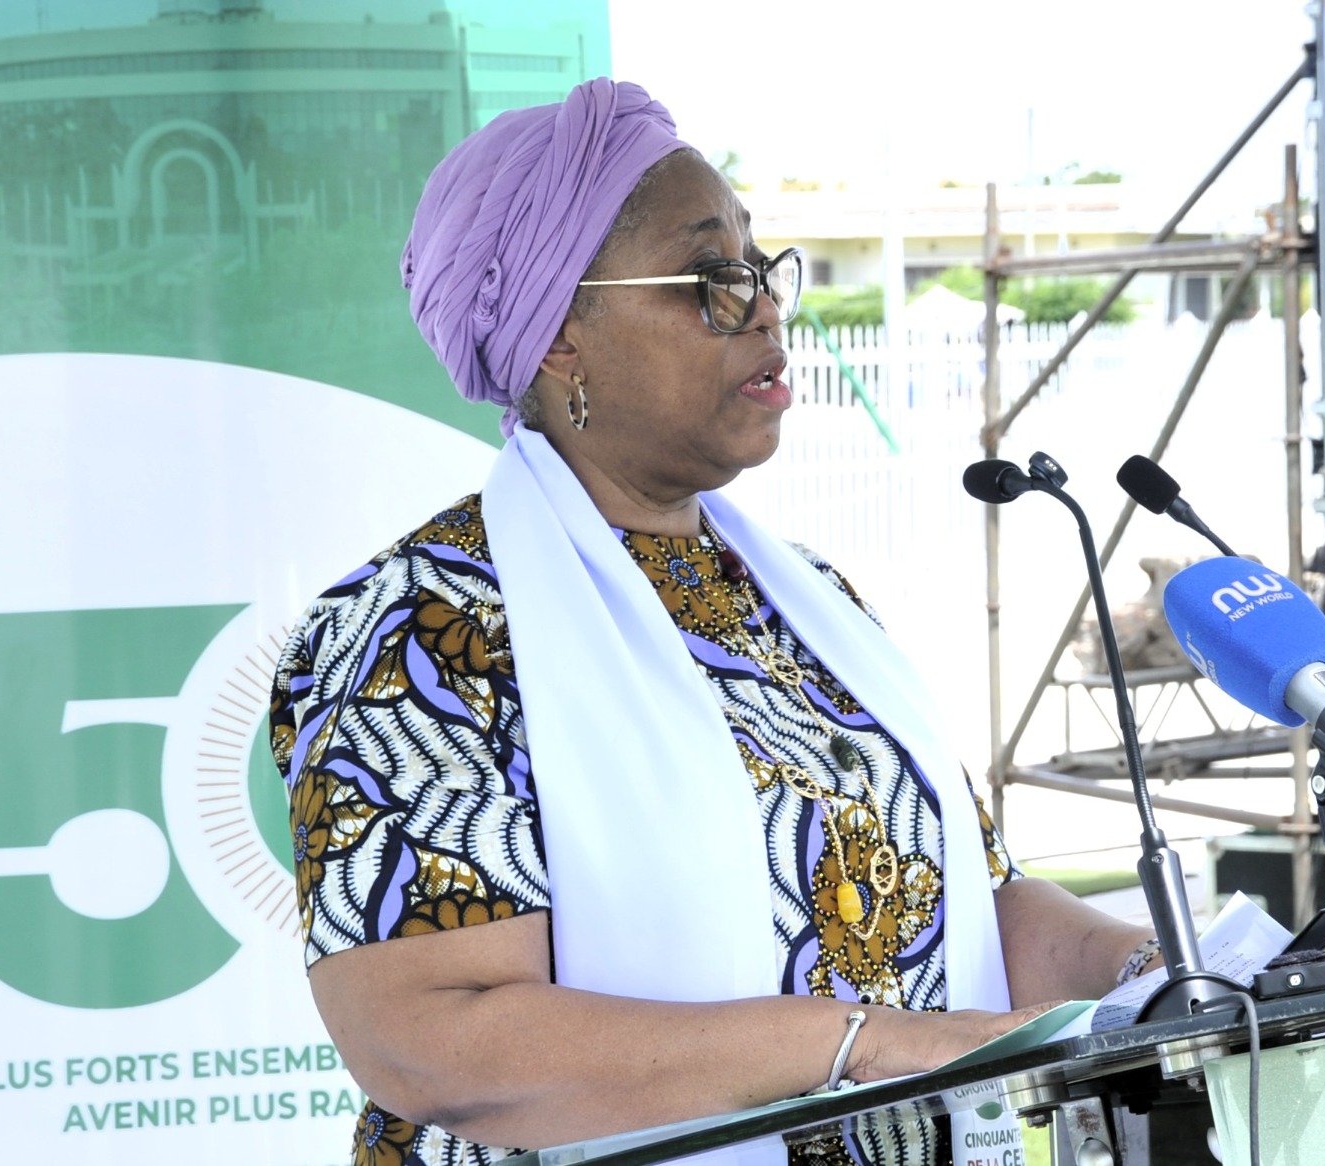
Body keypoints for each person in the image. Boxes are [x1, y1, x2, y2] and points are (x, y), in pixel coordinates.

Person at [269, 78, 1161, 1166]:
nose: (766, 307)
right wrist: (860, 1045)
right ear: (561, 338)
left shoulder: (807, 600)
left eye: (761, 269)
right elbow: (431, 1038)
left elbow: (972, 899)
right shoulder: (418, 628)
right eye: (711, 279)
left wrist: (1149, 971)